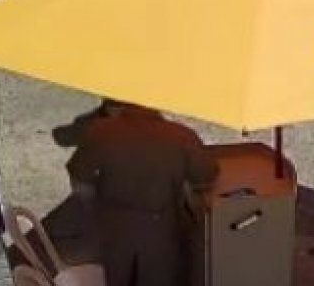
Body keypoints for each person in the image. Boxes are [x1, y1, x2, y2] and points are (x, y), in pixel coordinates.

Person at [67, 101, 219, 286]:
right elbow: (206, 176)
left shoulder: (100, 132)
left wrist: (95, 210)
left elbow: (80, 182)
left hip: (115, 228)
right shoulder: (181, 135)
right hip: (162, 229)